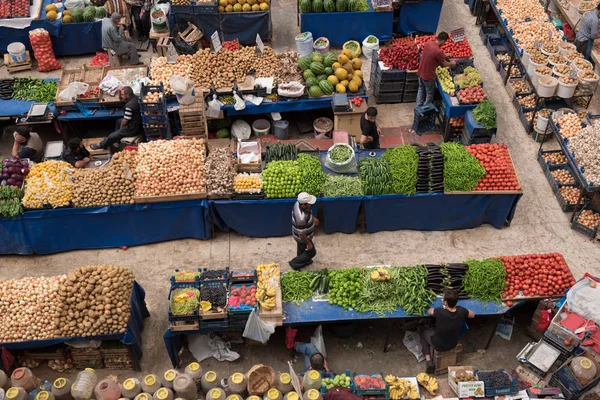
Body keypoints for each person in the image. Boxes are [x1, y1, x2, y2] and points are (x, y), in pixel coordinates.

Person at [420, 289, 475, 373]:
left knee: (423, 332)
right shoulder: (461, 311)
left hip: (438, 345)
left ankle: (428, 361)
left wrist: (437, 309)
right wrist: (463, 311)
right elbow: (472, 315)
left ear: (445, 302)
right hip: (453, 343)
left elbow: (429, 311)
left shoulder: (440, 311)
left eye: (443, 298)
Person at [91, 86, 142, 151]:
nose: (121, 96)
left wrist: (121, 129)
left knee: (112, 136)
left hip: (134, 128)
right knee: (118, 121)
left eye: (122, 94)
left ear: (127, 95)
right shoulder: (135, 98)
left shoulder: (129, 106)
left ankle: (102, 145)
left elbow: (125, 121)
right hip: (137, 122)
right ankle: (116, 141)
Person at [416, 32, 456, 107]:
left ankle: (418, 107)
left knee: (421, 89)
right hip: (428, 77)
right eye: (445, 42)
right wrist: (452, 63)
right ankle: (425, 110)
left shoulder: (428, 43)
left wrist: (446, 55)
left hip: (420, 72)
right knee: (429, 94)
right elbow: (444, 64)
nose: (444, 44)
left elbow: (436, 54)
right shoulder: (438, 51)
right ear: (443, 41)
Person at [289, 192, 318, 270]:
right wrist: (308, 243)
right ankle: (294, 263)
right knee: (311, 252)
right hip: (302, 236)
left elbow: (308, 214)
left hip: (299, 233)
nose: (311, 206)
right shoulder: (301, 218)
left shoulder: (298, 203)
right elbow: (301, 234)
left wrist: (312, 219)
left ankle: (304, 262)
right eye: (310, 204)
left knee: (301, 250)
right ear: (303, 205)